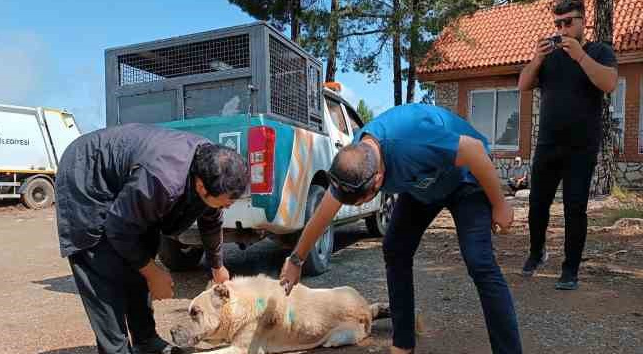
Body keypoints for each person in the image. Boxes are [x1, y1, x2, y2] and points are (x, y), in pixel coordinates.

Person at [279, 103, 522, 354]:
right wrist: (296, 259)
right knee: (395, 249)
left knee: (479, 261)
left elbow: (474, 150)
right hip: (423, 186)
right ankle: (403, 344)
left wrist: (500, 204)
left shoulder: (412, 142)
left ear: (378, 180)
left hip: (466, 179)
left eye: (363, 201)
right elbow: (323, 214)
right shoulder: (353, 164)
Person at [55, 123, 248, 354]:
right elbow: (118, 228)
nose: (228, 206)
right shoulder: (164, 179)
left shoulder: (208, 167)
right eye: (226, 201)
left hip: (131, 181)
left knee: (143, 248)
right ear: (200, 186)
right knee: (102, 266)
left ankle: (146, 340)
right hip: (87, 175)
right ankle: (115, 349)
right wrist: (153, 272)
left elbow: (211, 217)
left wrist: (217, 266)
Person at [518, 0, 617, 290]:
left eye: (567, 22)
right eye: (557, 24)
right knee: (537, 204)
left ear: (583, 20)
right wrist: (536, 58)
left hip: (581, 146)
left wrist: (580, 57)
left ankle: (570, 268)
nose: (562, 29)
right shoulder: (549, 57)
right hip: (548, 143)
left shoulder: (600, 51)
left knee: (575, 208)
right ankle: (537, 253)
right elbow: (523, 85)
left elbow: (609, 83)